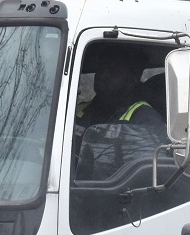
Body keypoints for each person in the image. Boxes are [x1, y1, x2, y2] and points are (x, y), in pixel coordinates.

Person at [73, 47, 170, 182]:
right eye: (101, 68)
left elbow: (144, 179)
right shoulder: (76, 111)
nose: (102, 75)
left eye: (113, 71)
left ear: (131, 81)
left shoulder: (145, 120)